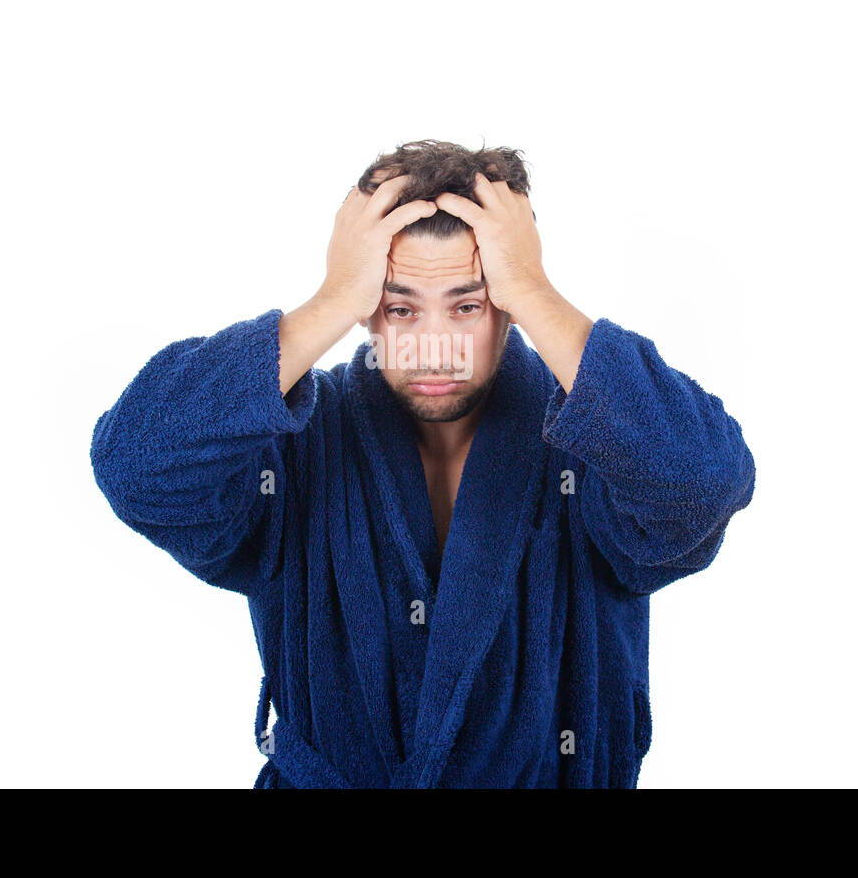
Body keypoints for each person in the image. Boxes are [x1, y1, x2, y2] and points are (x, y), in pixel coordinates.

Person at [89, 139, 757, 787]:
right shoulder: (291, 454)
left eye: (468, 305)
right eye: (400, 307)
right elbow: (137, 465)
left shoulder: (597, 453)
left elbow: (703, 482)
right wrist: (328, 302)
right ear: (364, 310)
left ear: (509, 305)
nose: (434, 348)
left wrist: (535, 290)